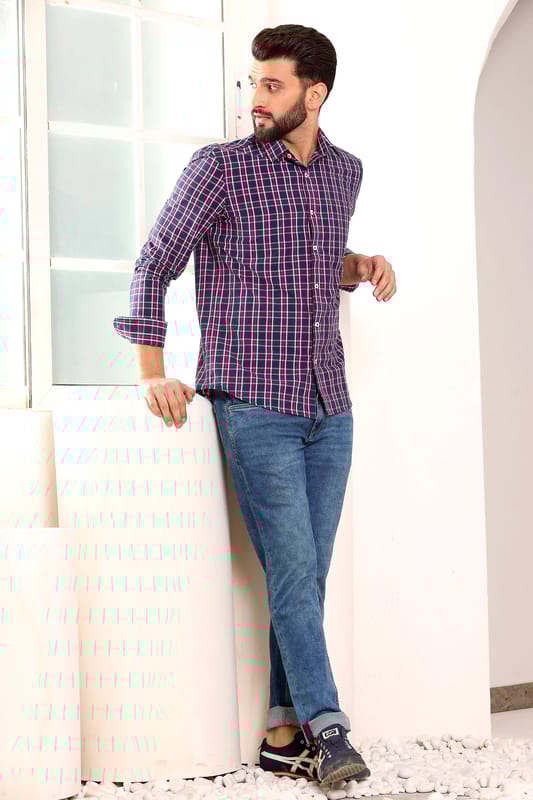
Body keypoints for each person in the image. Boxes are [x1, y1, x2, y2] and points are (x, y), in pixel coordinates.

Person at [114, 23, 396, 789]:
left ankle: (279, 734)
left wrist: (360, 265)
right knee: (295, 572)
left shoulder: (344, 172)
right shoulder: (220, 169)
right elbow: (154, 263)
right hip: (253, 402)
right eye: (253, 83)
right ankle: (329, 732)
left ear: (315, 93)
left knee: (307, 577)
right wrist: (151, 372)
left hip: (328, 404)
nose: (255, 99)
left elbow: (311, 259)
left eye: (272, 85)